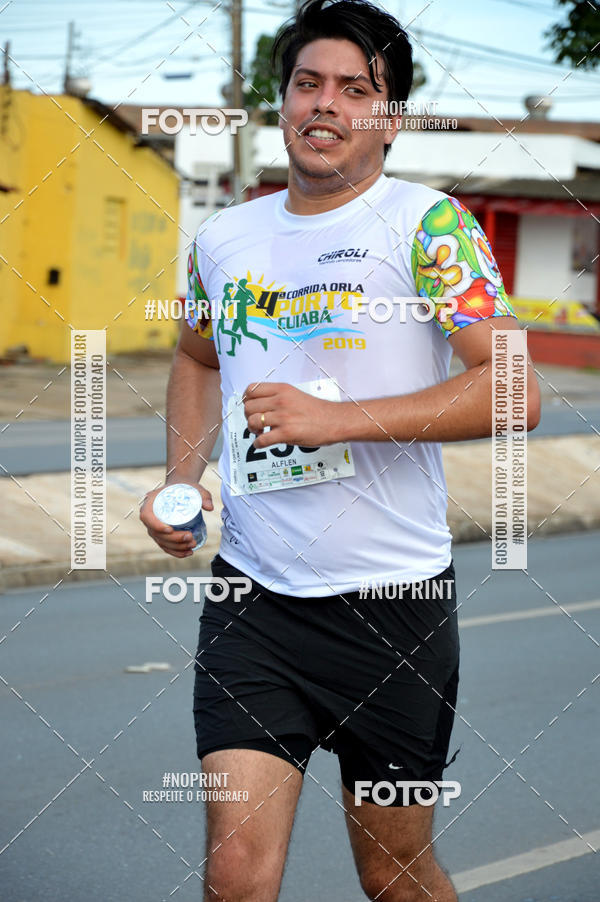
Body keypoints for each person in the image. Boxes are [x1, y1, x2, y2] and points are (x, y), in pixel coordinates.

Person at [140, 1, 541, 898]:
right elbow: (197, 359)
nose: (326, 104)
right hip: (254, 599)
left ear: (390, 121)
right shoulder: (225, 238)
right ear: (282, 102)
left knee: (392, 872)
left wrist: (340, 419)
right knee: (235, 874)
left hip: (393, 606)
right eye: (308, 83)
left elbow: (514, 389)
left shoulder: (430, 227)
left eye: (357, 90)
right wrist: (181, 482)